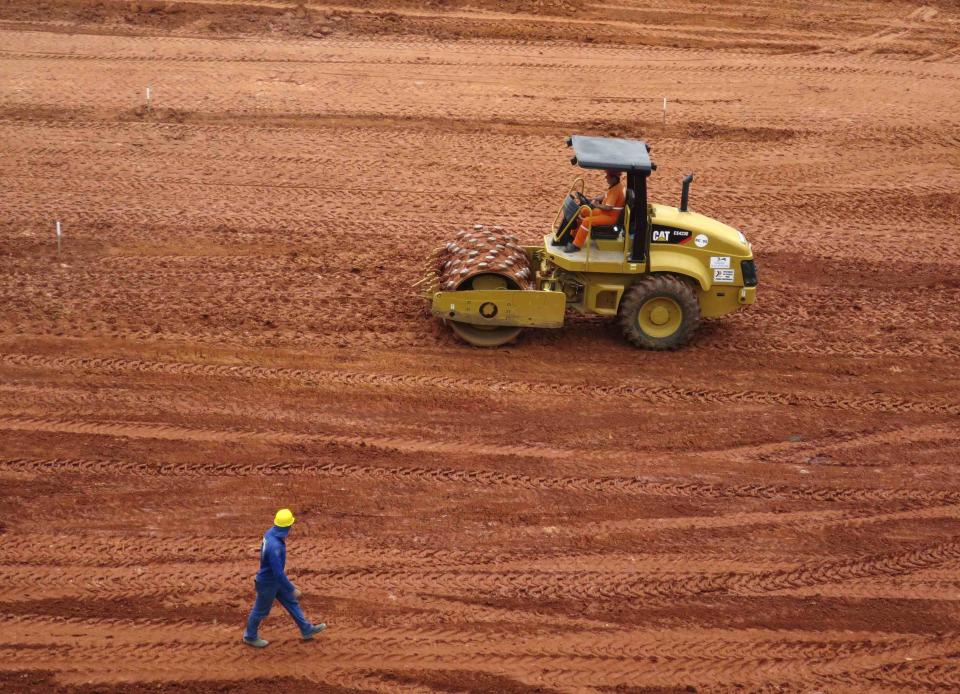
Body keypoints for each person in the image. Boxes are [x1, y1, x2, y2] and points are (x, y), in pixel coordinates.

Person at [242, 508, 327, 648]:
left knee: (291, 603)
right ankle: (250, 636)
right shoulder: (275, 547)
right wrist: (291, 588)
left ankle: (306, 629)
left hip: (274, 581)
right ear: (288, 526)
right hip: (268, 583)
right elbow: (278, 573)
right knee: (260, 611)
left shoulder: (270, 533)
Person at [565, 169, 626, 253]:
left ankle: (576, 245)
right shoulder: (616, 186)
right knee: (584, 210)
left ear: (614, 178)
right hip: (606, 213)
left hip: (610, 217)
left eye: (608, 176)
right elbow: (606, 195)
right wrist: (595, 198)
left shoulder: (616, 190)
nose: (606, 177)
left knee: (586, 221)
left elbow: (608, 208)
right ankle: (573, 236)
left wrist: (596, 205)